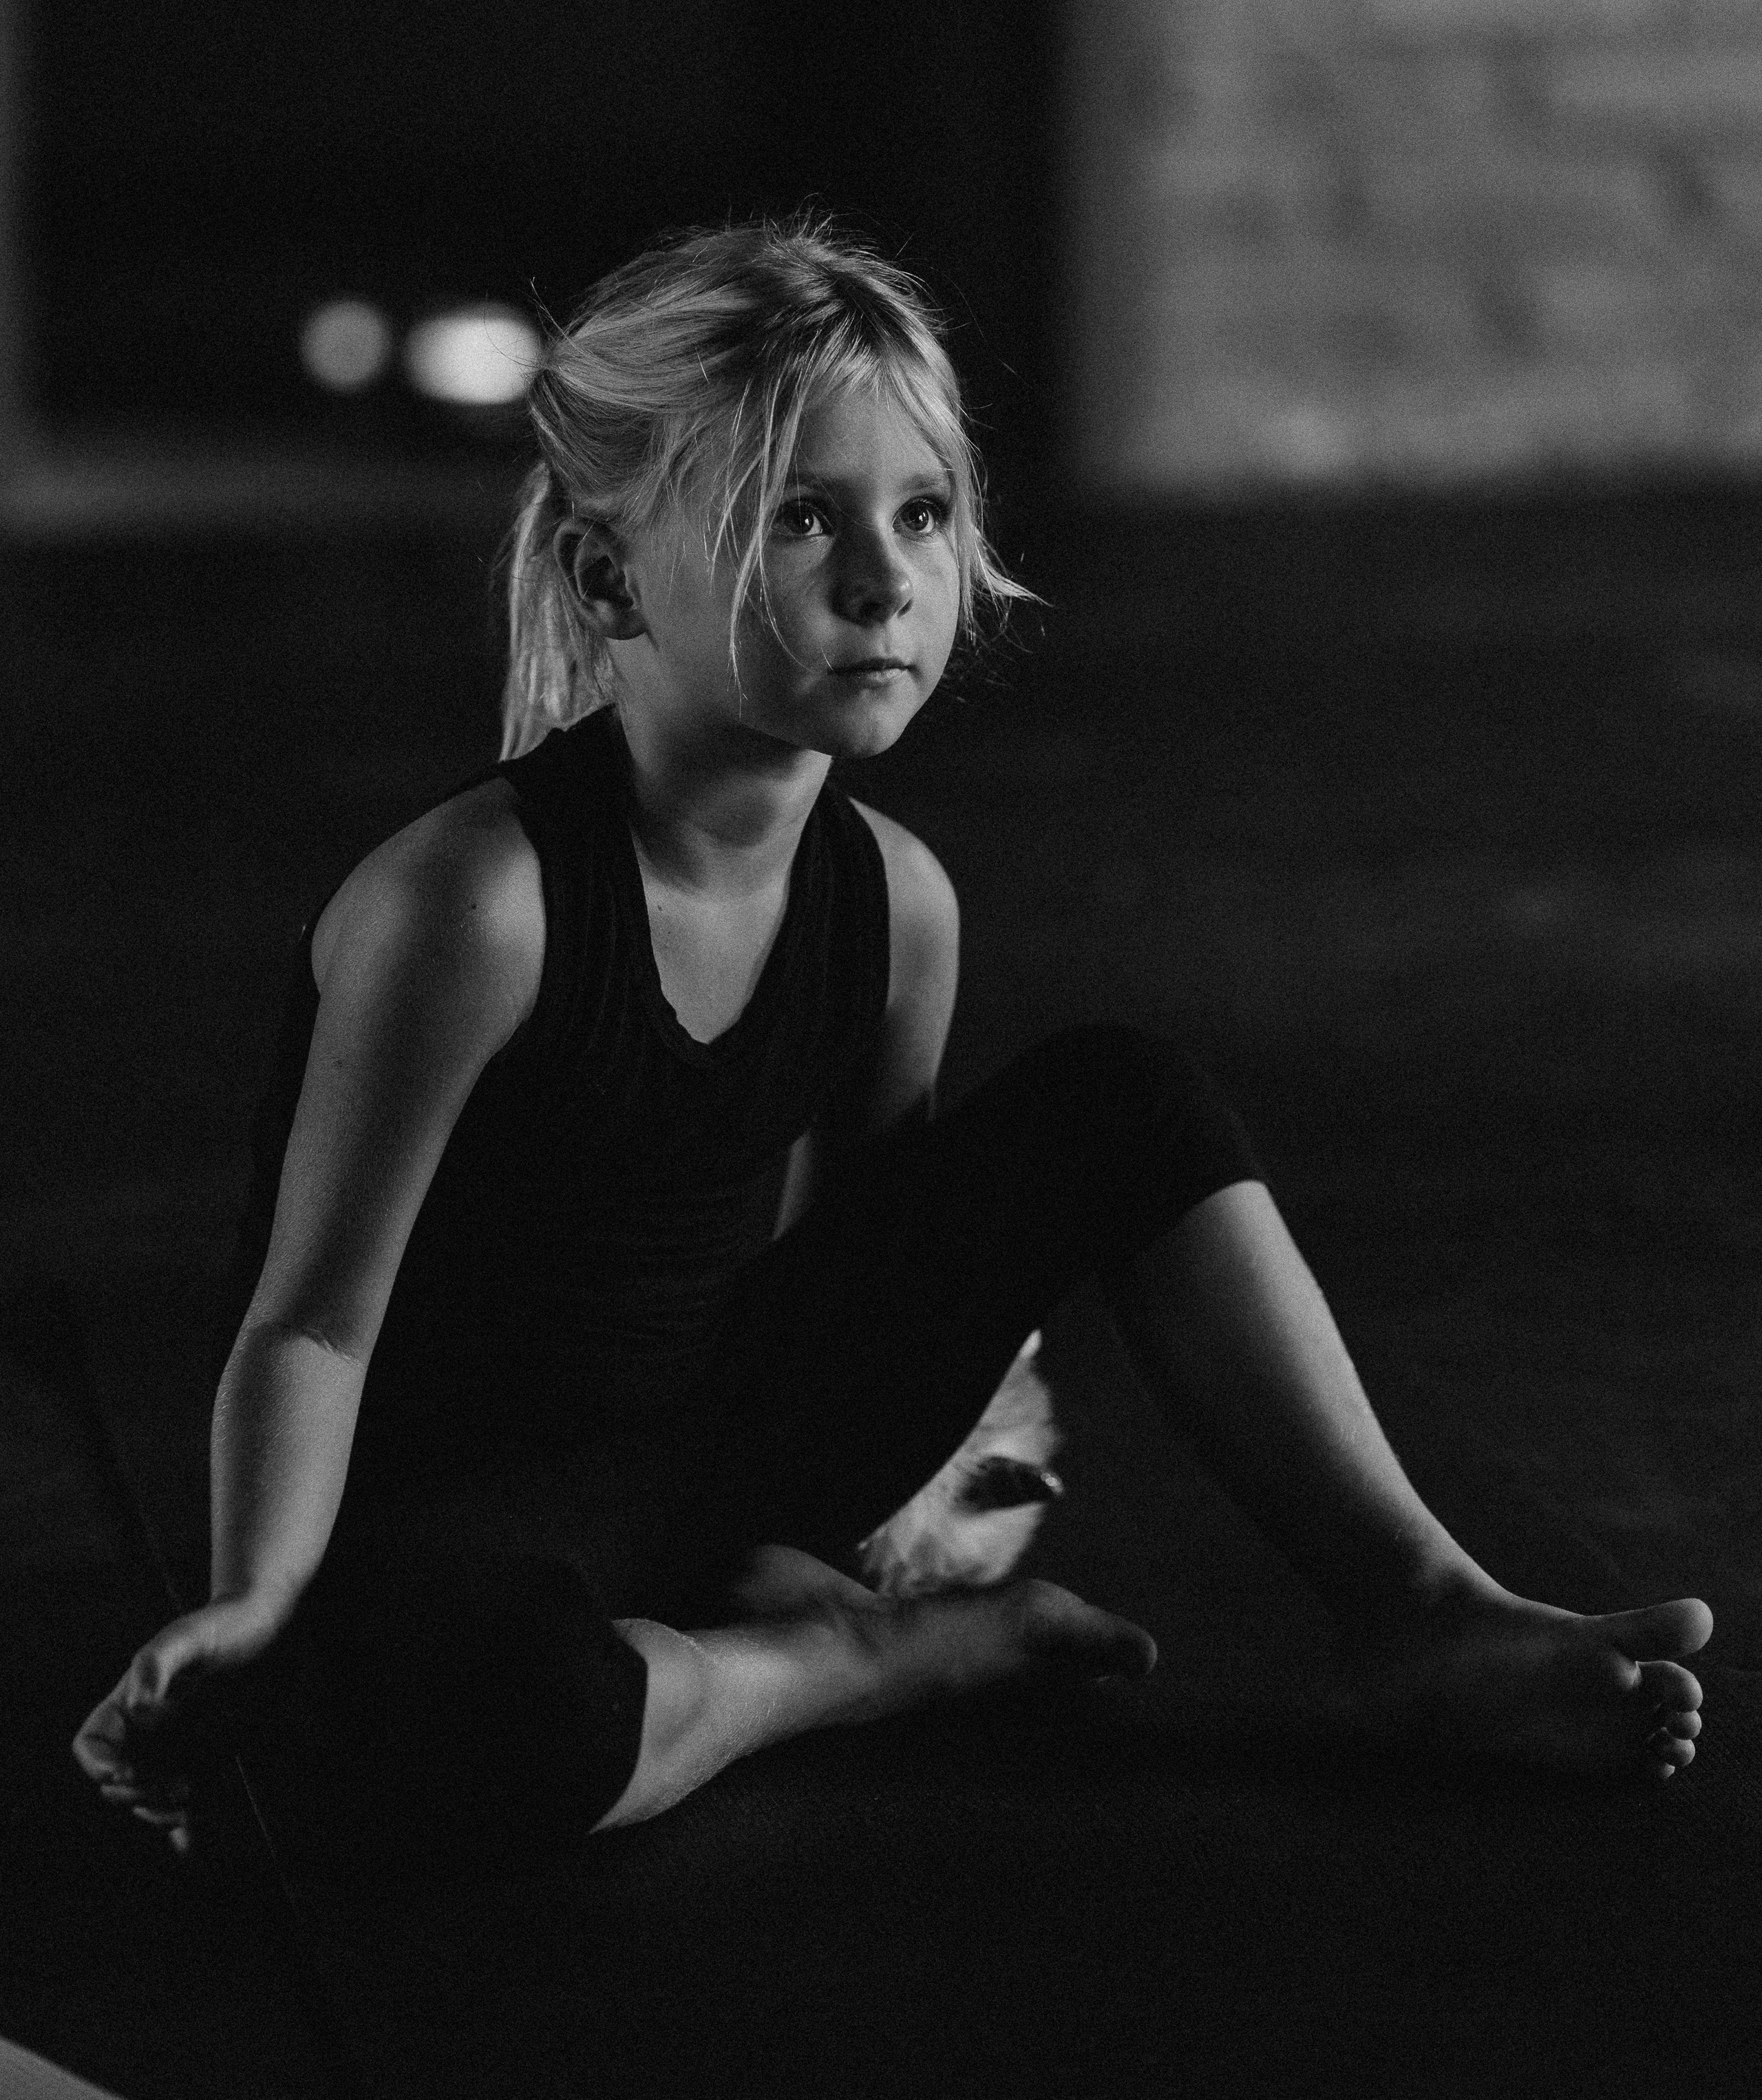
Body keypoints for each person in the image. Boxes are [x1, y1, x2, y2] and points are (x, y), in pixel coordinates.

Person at [74, 219, 1711, 1856]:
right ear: (603, 572)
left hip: (709, 1455)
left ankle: (1416, 1602)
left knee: (1124, 1096)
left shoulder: (895, 904)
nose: (884, 581)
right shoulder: (475, 906)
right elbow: (311, 1331)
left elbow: (864, 1265)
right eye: (800, 519)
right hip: (461, 1515)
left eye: (920, 515)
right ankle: (845, 1666)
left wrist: (874, 1499)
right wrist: (255, 1610)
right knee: (497, 1726)